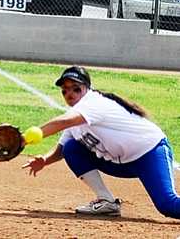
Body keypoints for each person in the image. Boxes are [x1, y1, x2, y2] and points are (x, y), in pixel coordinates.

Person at [22, 65, 180, 218]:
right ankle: (107, 201)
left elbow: (62, 122)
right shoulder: (75, 115)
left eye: (76, 88)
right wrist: (44, 160)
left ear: (87, 88)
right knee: (72, 148)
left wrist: (23, 139)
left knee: (167, 204)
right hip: (120, 164)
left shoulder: (94, 103)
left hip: (149, 154)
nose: (70, 93)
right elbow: (62, 149)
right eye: (65, 90)